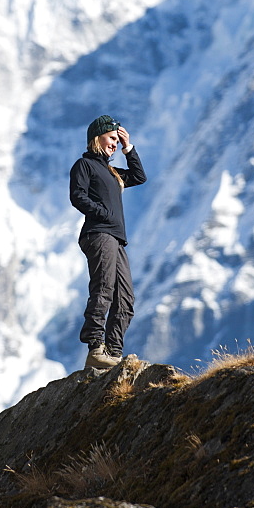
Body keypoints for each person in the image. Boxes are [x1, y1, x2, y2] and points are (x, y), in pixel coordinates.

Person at [69, 115, 147, 369]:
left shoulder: (112, 171)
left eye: (116, 139)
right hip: (99, 234)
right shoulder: (85, 165)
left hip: (116, 239)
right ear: (97, 137)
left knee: (125, 298)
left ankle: (113, 352)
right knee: (103, 288)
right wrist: (103, 213)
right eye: (112, 138)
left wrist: (129, 148)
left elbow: (139, 176)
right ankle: (95, 348)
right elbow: (77, 196)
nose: (114, 143)